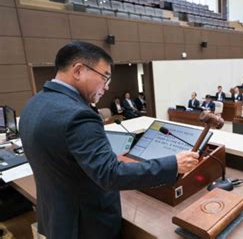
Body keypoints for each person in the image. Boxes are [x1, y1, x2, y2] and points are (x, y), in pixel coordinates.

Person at [18, 41, 199, 239]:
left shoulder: (34, 104)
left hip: (57, 218)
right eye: (105, 77)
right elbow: (110, 174)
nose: (106, 87)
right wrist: (174, 164)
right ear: (78, 70)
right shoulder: (78, 115)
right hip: (87, 226)